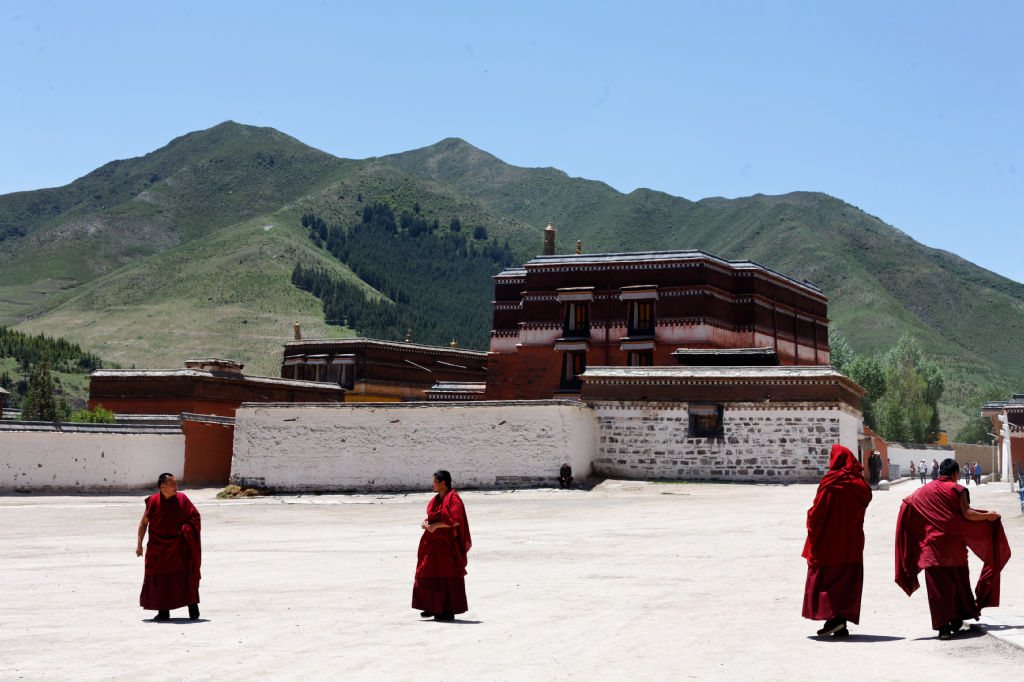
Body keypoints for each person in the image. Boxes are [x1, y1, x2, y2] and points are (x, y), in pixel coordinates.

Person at [895, 458, 1011, 640]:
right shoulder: (957, 489)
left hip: (932, 548)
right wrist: (989, 516)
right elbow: (968, 514)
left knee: (938, 590)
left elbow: (907, 505)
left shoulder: (922, 491)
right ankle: (957, 618)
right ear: (955, 473)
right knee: (959, 584)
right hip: (955, 548)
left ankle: (943, 628)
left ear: (940, 472)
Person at [802, 445, 873, 638]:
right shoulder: (860, 484)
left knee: (828, 578)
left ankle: (835, 620)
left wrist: (810, 517)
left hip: (829, 540)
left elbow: (817, 513)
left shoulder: (831, 481)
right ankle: (840, 622)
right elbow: (866, 499)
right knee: (846, 579)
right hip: (851, 541)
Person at [137, 473, 201, 621]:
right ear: (163, 486)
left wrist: (185, 531)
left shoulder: (182, 500)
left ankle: (192, 606)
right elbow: (143, 523)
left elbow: (195, 517)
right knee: (159, 578)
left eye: (176, 484)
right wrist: (139, 544)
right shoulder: (153, 501)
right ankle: (163, 612)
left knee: (183, 576)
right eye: (173, 484)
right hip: (157, 548)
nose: (176, 487)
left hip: (178, 546)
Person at [412, 470, 472, 621]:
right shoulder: (436, 499)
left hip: (446, 546)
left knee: (446, 576)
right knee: (426, 572)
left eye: (435, 481)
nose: (432, 484)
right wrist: (426, 523)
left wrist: (436, 526)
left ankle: (446, 610)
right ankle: (430, 606)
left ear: (443, 483)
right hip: (432, 545)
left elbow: (457, 520)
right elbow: (432, 516)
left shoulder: (453, 499)